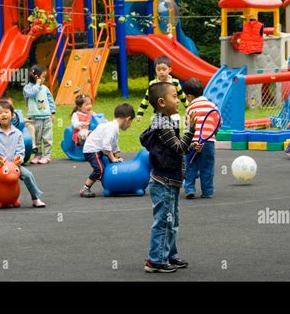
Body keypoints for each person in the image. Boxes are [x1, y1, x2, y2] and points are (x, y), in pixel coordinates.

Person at [140, 82, 203, 273]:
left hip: (170, 181)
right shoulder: (162, 124)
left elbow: (175, 147)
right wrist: (190, 131)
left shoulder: (166, 122)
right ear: (161, 102)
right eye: (174, 96)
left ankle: (168, 255)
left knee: (172, 220)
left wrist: (192, 145)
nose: (178, 100)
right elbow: (178, 148)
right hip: (164, 182)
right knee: (164, 221)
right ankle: (155, 260)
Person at [0, 100, 46, 210]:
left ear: (12, 115)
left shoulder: (18, 133)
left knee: (27, 174)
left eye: (6, 112)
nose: (3, 114)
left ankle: (35, 198)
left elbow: (21, 150)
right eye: (0, 113)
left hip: (13, 165)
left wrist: (19, 159)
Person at [79, 103, 135, 198]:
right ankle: (85, 188)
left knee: (111, 165)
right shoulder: (112, 128)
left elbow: (113, 144)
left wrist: (116, 156)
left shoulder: (114, 127)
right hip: (92, 150)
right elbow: (106, 145)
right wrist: (113, 159)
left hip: (98, 149)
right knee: (99, 169)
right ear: (128, 119)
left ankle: (114, 184)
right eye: (131, 122)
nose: (130, 125)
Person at [181, 78, 221, 199]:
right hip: (208, 142)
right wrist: (213, 133)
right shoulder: (212, 105)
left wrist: (187, 142)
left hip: (193, 141)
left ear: (189, 96)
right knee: (207, 166)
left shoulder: (190, 108)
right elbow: (219, 122)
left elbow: (188, 127)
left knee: (190, 164)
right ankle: (207, 191)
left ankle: (189, 188)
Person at [136, 55, 188, 121]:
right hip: (158, 115)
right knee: (159, 130)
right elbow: (146, 99)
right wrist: (140, 113)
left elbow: (182, 97)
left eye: (164, 69)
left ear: (170, 69)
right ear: (155, 70)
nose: (161, 72)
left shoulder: (175, 83)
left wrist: (188, 108)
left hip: (173, 113)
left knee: (174, 130)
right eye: (158, 70)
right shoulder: (153, 84)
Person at [23, 65, 56, 164]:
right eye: (43, 77)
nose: (44, 79)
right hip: (34, 117)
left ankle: (47, 156)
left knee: (47, 137)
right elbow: (31, 94)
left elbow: (50, 100)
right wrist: (37, 85)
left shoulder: (45, 88)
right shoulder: (27, 88)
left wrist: (52, 112)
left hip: (46, 116)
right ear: (36, 77)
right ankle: (38, 155)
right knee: (36, 138)